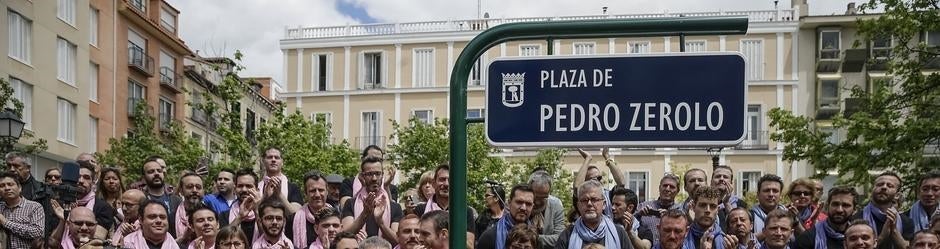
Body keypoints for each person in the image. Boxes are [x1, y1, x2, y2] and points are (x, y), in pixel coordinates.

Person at [555, 180, 633, 249]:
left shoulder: (619, 233)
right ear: (578, 206)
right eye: (584, 200)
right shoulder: (567, 235)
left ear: (604, 204)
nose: (589, 204)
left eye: (594, 199)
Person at [342, 156, 403, 243]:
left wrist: (381, 223)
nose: (374, 178)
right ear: (362, 176)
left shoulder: (394, 207)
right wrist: (364, 213)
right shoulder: (351, 203)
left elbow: (398, 240)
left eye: (378, 174)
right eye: (369, 174)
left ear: (382, 175)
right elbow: (344, 236)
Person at [854, 172, 913, 249]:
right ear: (872, 190)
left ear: (897, 195)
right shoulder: (857, 218)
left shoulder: (906, 221)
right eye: (880, 185)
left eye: (890, 186)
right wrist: (882, 236)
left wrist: (894, 231)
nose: (884, 187)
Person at [794, 186, 860, 249]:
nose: (839, 210)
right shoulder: (808, 238)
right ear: (828, 206)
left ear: (855, 209)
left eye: (845, 205)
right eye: (835, 204)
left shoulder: (860, 240)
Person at [413, 165, 474, 232]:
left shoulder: (465, 212)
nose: (446, 184)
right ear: (434, 183)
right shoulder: (421, 210)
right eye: (442, 179)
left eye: (451, 180)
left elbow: (469, 241)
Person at [288, 171, 337, 249]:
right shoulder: (292, 220)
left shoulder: (337, 217)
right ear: (305, 193)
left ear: (327, 192)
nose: (317, 195)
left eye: (321, 190)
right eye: (312, 191)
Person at [477, 184, 535, 249]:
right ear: (509, 203)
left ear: (533, 207)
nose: (523, 208)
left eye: (528, 204)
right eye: (519, 202)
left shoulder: (535, 236)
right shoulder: (490, 237)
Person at [573, 148, 626, 217]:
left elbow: (621, 183)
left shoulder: (608, 194)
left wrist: (607, 158)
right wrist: (588, 159)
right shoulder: (583, 196)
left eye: (599, 178)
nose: (598, 181)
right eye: (593, 179)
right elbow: (577, 187)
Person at [0, 171, 44, 248]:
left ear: (20, 188)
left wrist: (6, 223)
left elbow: (37, 232)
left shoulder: (34, 206)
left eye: (10, 184)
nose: (7, 188)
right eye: (2, 185)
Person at [219, 168, 261, 244]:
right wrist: (239, 217)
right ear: (235, 189)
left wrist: (257, 211)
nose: (244, 190)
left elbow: (268, 238)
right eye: (240, 186)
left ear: (257, 190)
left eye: (249, 186)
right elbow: (221, 241)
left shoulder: (267, 215)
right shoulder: (224, 215)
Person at [636, 174, 681, 243]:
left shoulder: (680, 210)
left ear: (677, 191)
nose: (667, 189)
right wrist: (639, 215)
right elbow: (630, 225)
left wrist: (669, 217)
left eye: (672, 187)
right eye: (665, 186)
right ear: (659, 188)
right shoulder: (643, 206)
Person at [259, 147, 305, 212]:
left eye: (277, 157)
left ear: (282, 162)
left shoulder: (293, 188)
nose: (273, 160)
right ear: (263, 161)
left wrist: (279, 194)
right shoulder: (256, 187)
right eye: (269, 157)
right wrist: (265, 196)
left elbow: (296, 213)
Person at [528, 171, 566, 248]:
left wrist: (536, 238)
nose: (538, 202)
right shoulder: (521, 203)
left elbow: (560, 238)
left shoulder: (556, 205)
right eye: (536, 197)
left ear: (549, 193)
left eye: (543, 197)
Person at [172, 172, 206, 239]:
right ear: (181, 191)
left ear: (203, 191)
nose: (194, 190)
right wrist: (183, 238)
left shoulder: (211, 214)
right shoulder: (172, 217)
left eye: (198, 187)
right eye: (190, 187)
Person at [751, 174, 785, 240]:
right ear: (758, 195)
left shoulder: (789, 216)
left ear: (780, 195)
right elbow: (743, 241)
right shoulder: (749, 216)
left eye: (775, 191)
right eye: (766, 190)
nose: (771, 194)